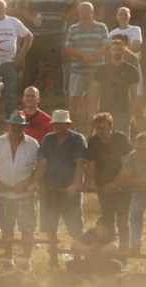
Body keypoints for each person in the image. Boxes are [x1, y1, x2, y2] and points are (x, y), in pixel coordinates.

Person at [0, 110, 40, 271]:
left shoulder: (33, 144)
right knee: (7, 229)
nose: (17, 128)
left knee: (27, 229)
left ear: (25, 127)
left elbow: (38, 169)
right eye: (14, 125)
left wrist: (27, 182)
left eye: (20, 126)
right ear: (9, 125)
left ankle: (26, 261)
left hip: (25, 194)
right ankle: (8, 260)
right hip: (4, 194)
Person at [35, 109, 88, 266]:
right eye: (55, 123)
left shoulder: (78, 139)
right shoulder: (48, 139)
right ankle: (53, 258)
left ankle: (77, 259)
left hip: (69, 191)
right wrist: (37, 181)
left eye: (61, 123)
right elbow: (42, 163)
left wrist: (75, 183)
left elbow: (81, 163)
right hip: (50, 188)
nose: (57, 126)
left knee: (75, 227)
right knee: (50, 227)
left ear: (68, 124)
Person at [85, 112, 131, 253]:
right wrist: (87, 183)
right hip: (103, 186)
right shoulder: (93, 141)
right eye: (97, 128)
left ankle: (124, 249)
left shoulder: (121, 138)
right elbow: (91, 165)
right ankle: (109, 248)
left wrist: (116, 184)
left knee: (122, 219)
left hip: (122, 186)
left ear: (110, 127)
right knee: (107, 218)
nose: (99, 131)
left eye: (102, 128)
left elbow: (127, 165)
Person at [64, 1, 108, 126]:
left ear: (92, 12)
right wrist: (82, 55)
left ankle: (92, 129)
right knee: (74, 100)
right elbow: (67, 48)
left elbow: (105, 46)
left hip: (96, 71)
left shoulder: (101, 27)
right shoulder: (73, 28)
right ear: (78, 13)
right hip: (77, 70)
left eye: (87, 11)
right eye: (81, 12)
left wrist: (92, 57)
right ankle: (72, 129)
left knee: (93, 101)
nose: (84, 14)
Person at [112, 132, 146, 256]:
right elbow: (126, 178)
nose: (140, 152)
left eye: (144, 150)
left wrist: (139, 182)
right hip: (142, 193)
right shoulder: (133, 156)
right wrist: (144, 182)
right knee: (135, 209)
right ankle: (135, 245)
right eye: (138, 149)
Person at [17, 0, 70, 98]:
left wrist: (67, 16)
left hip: (55, 34)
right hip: (35, 35)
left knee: (57, 65)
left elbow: (76, 3)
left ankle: (60, 96)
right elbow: (20, 7)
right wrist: (31, 18)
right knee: (31, 66)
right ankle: (25, 96)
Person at [90, 38, 138, 137]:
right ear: (110, 51)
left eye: (119, 49)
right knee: (103, 139)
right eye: (114, 49)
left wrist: (131, 112)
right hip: (104, 111)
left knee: (122, 141)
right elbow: (95, 91)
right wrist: (93, 111)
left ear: (124, 51)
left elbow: (134, 93)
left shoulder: (131, 70)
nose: (117, 52)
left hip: (123, 111)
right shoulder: (101, 69)